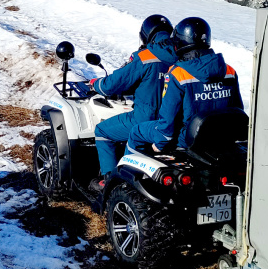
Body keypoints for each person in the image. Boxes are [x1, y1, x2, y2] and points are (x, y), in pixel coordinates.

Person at [127, 17, 243, 154]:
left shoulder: (178, 74)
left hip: (187, 138)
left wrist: (160, 142)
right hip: (221, 135)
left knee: (136, 131)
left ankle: (121, 174)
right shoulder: (229, 71)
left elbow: (168, 117)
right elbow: (237, 109)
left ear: (181, 42)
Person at [88, 15, 173, 192]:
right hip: (171, 123)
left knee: (102, 131)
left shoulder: (145, 57)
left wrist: (96, 84)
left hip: (145, 119)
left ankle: (109, 182)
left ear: (146, 35)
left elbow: (112, 85)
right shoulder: (181, 55)